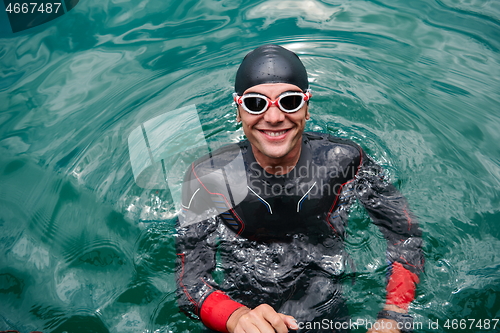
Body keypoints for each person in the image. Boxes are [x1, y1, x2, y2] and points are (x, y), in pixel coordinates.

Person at [175, 44, 424, 333]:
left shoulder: (344, 162)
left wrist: (393, 316)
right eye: (256, 103)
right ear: (238, 111)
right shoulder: (207, 177)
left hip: (326, 298)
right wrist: (235, 317)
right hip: (244, 305)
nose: (274, 117)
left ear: (306, 107)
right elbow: (189, 280)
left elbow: (405, 237)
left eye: (289, 101)